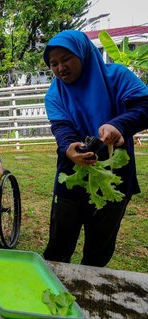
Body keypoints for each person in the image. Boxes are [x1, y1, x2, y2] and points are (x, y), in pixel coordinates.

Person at [42, 30, 148, 267]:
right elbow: (61, 127)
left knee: (100, 245)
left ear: (83, 53)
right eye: (54, 64)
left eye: (66, 59)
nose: (60, 68)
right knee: (59, 242)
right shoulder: (54, 93)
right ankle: (52, 284)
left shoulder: (117, 77)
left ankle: (92, 291)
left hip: (113, 172)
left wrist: (118, 124)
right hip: (73, 170)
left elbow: (144, 107)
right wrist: (69, 147)